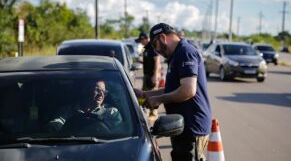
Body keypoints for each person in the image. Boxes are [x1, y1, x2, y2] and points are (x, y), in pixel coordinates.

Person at [135, 23, 212, 161]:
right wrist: (147, 95)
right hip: (181, 126)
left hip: (191, 127)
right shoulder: (176, 55)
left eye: (155, 45)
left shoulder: (185, 52)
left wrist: (159, 99)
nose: (156, 51)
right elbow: (171, 89)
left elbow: (188, 90)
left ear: (163, 38)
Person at [46, 80, 122, 131]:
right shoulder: (67, 111)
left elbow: (119, 132)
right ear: (86, 91)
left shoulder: (111, 112)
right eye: (98, 90)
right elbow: (55, 126)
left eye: (104, 92)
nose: (101, 95)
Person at [135, 32, 160, 118]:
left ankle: (153, 114)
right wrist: (139, 61)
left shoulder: (152, 47)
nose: (140, 43)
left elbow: (157, 60)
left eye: (141, 40)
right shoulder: (146, 48)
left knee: (153, 94)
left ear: (145, 38)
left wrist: (155, 76)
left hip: (152, 75)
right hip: (146, 75)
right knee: (143, 94)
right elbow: (147, 61)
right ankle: (143, 111)